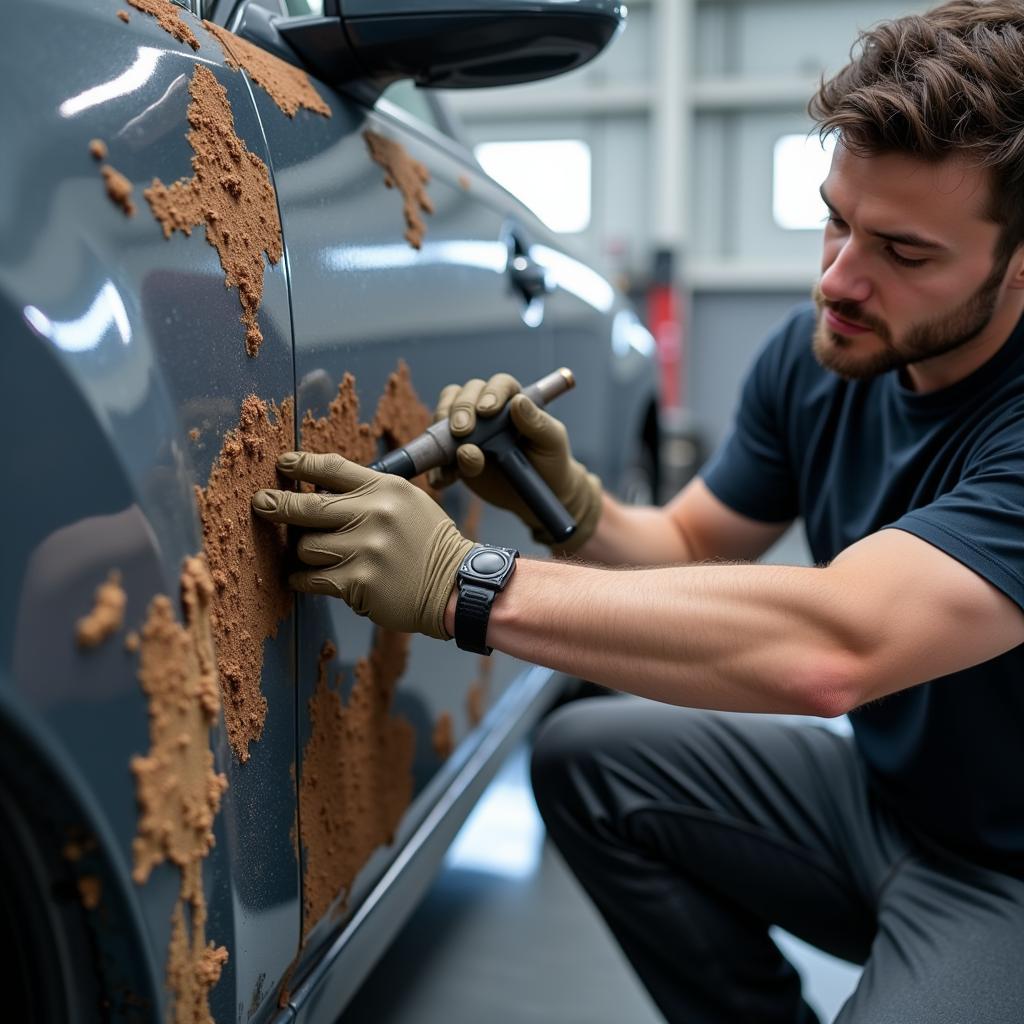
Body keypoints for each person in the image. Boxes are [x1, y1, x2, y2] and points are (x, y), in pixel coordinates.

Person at [252, 2, 1024, 1019]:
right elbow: (692, 543)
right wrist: (567, 504)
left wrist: (463, 585)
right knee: (591, 759)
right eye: (836, 218)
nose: (838, 277)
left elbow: (836, 648)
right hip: (886, 809)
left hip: (1005, 872)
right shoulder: (816, 357)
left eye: (904, 253)